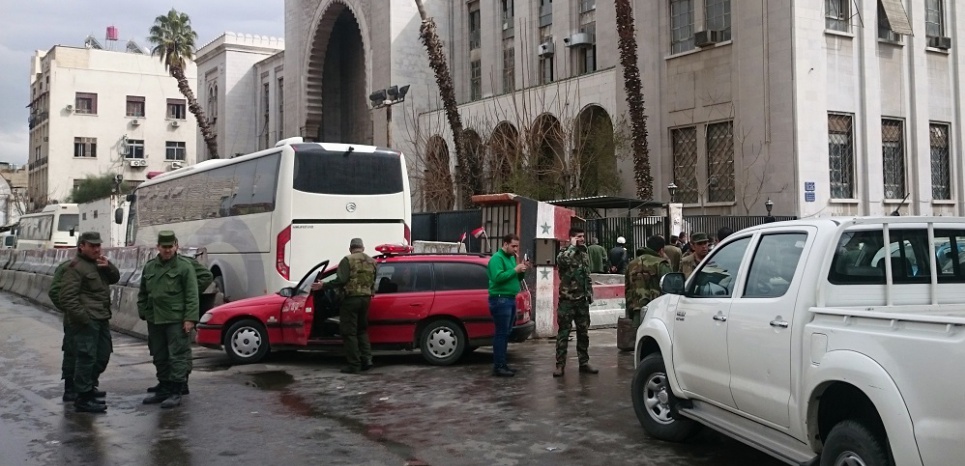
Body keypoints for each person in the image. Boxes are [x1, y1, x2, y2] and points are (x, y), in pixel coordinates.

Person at [58, 232, 120, 413]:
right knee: (86, 357)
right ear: (81, 246)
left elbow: (115, 278)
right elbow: (67, 298)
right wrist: (84, 318)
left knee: (103, 354)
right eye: (92, 246)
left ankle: (88, 387)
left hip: (101, 318)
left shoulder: (98, 263)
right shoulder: (75, 267)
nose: (96, 249)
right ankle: (83, 397)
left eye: (98, 245)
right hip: (87, 321)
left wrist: (109, 266)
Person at [139, 231, 199, 409]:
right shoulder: (150, 267)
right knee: (159, 354)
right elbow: (142, 292)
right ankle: (164, 386)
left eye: (170, 247)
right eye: (164, 247)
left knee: (178, 355)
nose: (167, 250)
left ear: (176, 246)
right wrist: (143, 310)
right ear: (158, 247)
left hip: (175, 319)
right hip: (155, 319)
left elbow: (192, 295)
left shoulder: (184, 267)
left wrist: (190, 319)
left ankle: (176, 390)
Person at [313, 238, 377, 374]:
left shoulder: (347, 260)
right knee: (362, 330)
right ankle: (367, 360)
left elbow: (341, 280)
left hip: (351, 300)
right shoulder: (372, 261)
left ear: (350, 248)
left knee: (349, 332)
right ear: (363, 248)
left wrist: (323, 285)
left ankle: (354, 365)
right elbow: (373, 282)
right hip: (366, 299)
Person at [554, 226, 598, 377]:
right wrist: (572, 246)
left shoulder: (584, 254)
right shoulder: (563, 253)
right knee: (563, 334)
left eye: (582, 236)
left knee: (583, 333)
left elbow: (587, 275)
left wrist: (590, 293)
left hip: (582, 301)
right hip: (567, 300)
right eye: (578, 236)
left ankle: (584, 362)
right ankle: (560, 365)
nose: (582, 239)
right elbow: (563, 261)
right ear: (572, 238)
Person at [486, 233, 528, 377]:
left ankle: (503, 364)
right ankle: (499, 366)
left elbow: (515, 277)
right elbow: (497, 278)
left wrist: (521, 271)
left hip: (510, 299)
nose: (516, 249)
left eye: (517, 246)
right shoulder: (497, 259)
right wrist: (514, 270)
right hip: (500, 299)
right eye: (513, 246)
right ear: (505, 244)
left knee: (506, 332)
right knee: (501, 334)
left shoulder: (511, 258)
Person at [625, 235, 673, 329]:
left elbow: (627, 288)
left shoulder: (632, 264)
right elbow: (670, 288)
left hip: (636, 309)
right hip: (656, 310)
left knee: (638, 338)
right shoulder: (661, 264)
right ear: (662, 250)